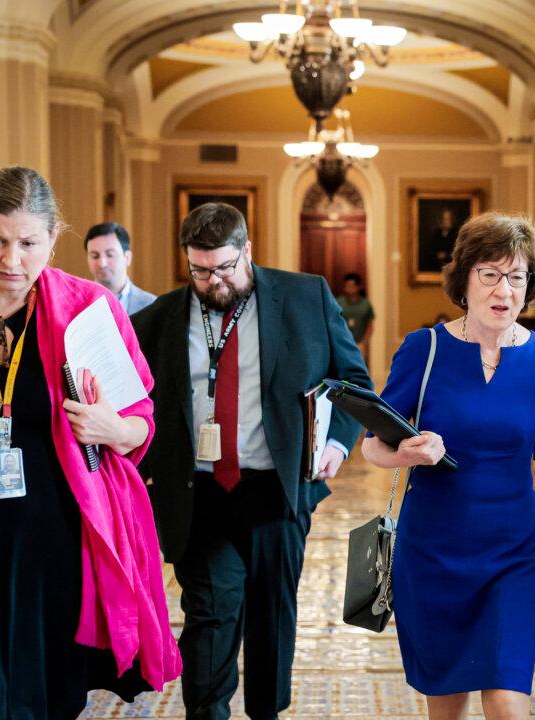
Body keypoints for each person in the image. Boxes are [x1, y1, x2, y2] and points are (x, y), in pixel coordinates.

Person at [0, 166, 180, 719]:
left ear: (53, 236)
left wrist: (110, 428)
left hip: (53, 542)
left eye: (28, 243)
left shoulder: (90, 312)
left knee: (38, 697)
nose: (11, 261)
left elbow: (142, 425)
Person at [131, 202, 371, 720]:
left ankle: (267, 712)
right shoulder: (156, 321)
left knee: (272, 618)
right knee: (210, 617)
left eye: (224, 267)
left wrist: (336, 444)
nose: (213, 281)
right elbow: (133, 403)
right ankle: (208, 712)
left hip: (277, 492)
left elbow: (354, 381)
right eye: (200, 270)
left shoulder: (307, 298)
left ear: (247, 252)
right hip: (199, 495)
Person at [362, 212, 535, 720]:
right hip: (434, 552)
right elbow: (372, 445)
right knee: (448, 710)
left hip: (512, 553)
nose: (504, 289)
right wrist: (406, 454)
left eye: (517, 276)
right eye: (491, 274)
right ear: (466, 279)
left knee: (506, 703)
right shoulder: (425, 349)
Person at [85, 221, 157, 314]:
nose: (102, 263)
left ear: (127, 258)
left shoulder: (151, 305)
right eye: (95, 256)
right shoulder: (77, 303)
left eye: (110, 255)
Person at [336, 272, 374, 357]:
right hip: (342, 343)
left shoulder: (366, 304)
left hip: (359, 344)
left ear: (358, 287)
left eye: (351, 286)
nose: (349, 289)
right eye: (347, 286)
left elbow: (370, 325)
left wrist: (365, 342)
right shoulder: (338, 302)